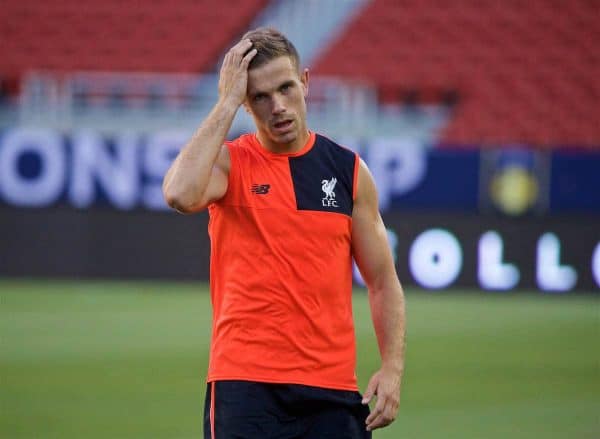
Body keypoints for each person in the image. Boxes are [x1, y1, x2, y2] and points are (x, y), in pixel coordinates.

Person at [163, 27, 406, 438]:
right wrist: (225, 101)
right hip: (246, 386)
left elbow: (383, 281)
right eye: (259, 96)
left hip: (331, 390)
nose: (277, 106)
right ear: (245, 102)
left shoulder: (347, 172)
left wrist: (392, 368)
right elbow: (178, 193)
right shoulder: (230, 164)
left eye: (286, 88)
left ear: (305, 82)